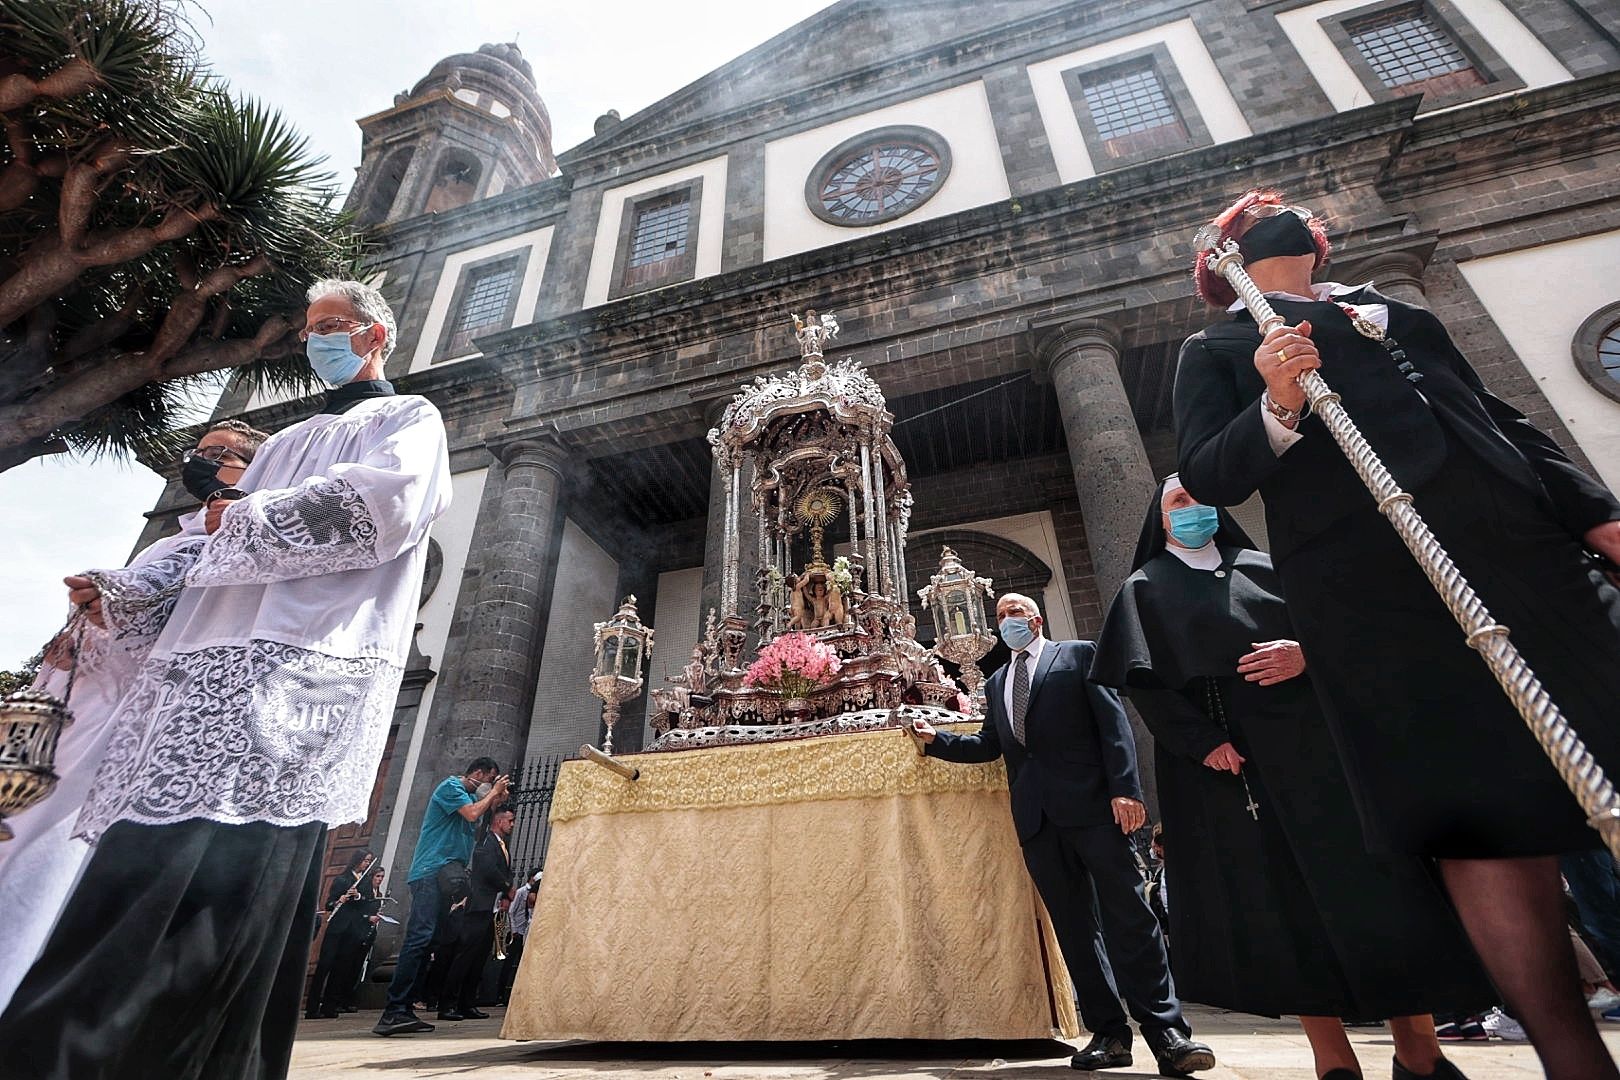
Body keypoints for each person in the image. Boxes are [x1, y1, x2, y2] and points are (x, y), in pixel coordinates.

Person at [1174, 189, 1620, 1080]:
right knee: (1482, 816)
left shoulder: (1399, 311)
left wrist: (1600, 520)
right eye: (1258, 209)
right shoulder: (1219, 345)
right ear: (1222, 254)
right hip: (1381, 590)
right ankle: (1577, 1064)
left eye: (1291, 204)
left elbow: (1501, 420)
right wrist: (1277, 397)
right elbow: (1209, 472)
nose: (1283, 212)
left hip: (1525, 555)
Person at [0, 278, 452, 1080]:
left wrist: (243, 513)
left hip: (308, 667)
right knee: (141, 865)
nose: (316, 339)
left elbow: (387, 505)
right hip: (204, 673)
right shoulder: (280, 442)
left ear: (375, 335)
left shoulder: (406, 419)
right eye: (311, 327)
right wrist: (126, 588)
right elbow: (204, 540)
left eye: (333, 326)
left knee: (240, 886)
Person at [1093, 477, 1491, 1080]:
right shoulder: (1144, 589)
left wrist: (1306, 651)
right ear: (1161, 517)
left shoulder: (1266, 565)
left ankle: (1420, 1052)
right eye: (1179, 501)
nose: (1194, 508)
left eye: (1202, 498)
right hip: (1235, 772)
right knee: (1284, 908)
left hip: (1325, 759)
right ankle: (1332, 1058)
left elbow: (1347, 635)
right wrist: (1203, 743)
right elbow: (1147, 685)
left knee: (1381, 895)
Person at [0, 419, 268, 1015]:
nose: (204, 461)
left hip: (126, 709)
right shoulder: (177, 532)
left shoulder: (234, 532)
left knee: (49, 843)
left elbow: (161, 588)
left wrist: (112, 594)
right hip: (72, 698)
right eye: (200, 452)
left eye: (223, 455)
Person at [910, 593, 1215, 1077]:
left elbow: (1112, 724)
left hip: (1095, 808)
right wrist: (936, 742)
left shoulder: (1077, 655)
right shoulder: (996, 682)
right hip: (1037, 820)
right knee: (1076, 930)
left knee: (1131, 918)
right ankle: (1109, 1033)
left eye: (1013, 612)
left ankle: (1168, 1033)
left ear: (1035, 618)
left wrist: (1127, 791)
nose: (1005, 621)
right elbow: (991, 745)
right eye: (999, 616)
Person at [375, 757, 510, 1035]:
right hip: (430, 871)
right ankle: (393, 1010)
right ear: (478, 773)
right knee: (419, 937)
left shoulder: (469, 797)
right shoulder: (451, 786)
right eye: (489, 779)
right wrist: (492, 793)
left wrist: (496, 801)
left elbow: (478, 822)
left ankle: (406, 1008)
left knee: (432, 940)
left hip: (447, 876)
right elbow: (472, 814)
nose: (488, 786)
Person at [439, 805, 515, 1021]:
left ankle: (467, 1003)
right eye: (509, 820)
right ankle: (447, 1004)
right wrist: (507, 886)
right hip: (478, 906)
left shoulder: (502, 845)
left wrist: (505, 896)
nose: (512, 824)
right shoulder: (486, 842)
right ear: (499, 821)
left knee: (478, 959)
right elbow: (488, 868)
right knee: (464, 957)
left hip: (491, 908)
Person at [306, 849, 378, 1019]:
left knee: (341, 968)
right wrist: (340, 900)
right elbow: (329, 904)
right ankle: (312, 1007)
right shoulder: (342, 880)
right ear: (357, 860)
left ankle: (330, 1006)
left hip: (354, 930)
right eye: (364, 861)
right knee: (325, 966)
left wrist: (358, 896)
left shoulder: (366, 882)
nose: (366, 864)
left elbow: (368, 903)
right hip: (337, 928)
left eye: (368, 861)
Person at [500, 869, 541, 1005]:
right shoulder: (522, 892)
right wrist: (514, 930)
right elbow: (511, 912)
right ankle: (500, 995)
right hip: (518, 932)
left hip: (527, 932)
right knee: (510, 962)